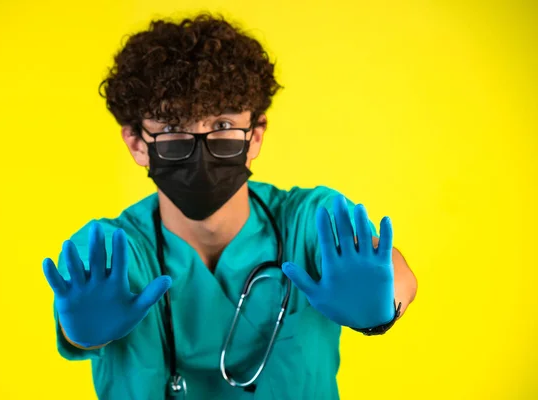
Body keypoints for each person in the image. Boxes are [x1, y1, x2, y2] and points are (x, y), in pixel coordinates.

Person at [42, 13, 418, 400]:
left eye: (222, 125)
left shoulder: (306, 221)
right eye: (173, 129)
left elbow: (396, 274)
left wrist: (379, 309)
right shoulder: (115, 251)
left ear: (254, 137)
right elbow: (77, 326)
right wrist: (83, 334)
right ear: (137, 143)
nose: (201, 150)